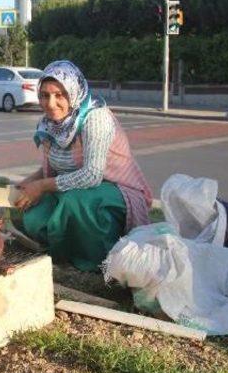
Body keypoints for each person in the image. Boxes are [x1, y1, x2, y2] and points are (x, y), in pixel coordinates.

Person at [15, 60, 153, 271]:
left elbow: (92, 175)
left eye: (60, 95)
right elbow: (53, 166)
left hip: (115, 190)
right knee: (35, 214)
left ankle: (98, 262)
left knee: (75, 203)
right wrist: (31, 182)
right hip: (70, 186)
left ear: (74, 92)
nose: (51, 103)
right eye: (45, 95)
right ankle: (65, 251)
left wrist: (42, 186)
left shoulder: (95, 118)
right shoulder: (48, 123)